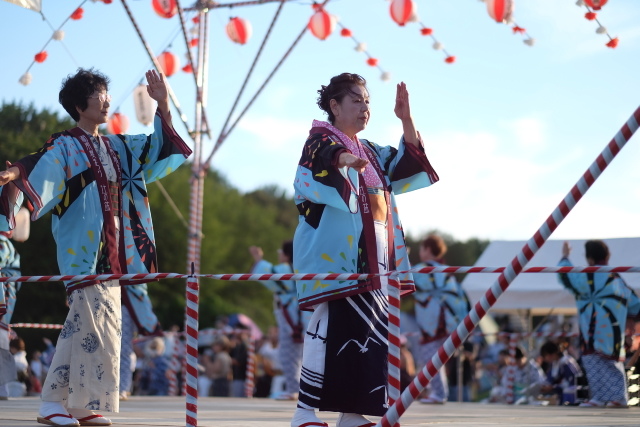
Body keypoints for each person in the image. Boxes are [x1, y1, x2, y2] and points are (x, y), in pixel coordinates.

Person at [0, 68, 191, 426]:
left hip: (117, 252)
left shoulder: (120, 146)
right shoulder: (64, 146)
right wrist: (14, 176)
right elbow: (34, 165)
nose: (105, 99)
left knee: (97, 328)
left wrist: (162, 101)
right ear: (78, 104)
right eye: (97, 93)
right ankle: (51, 404)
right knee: (88, 325)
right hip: (81, 252)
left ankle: (77, 405)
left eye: (105, 92)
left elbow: (161, 147)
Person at [291, 73, 439, 427]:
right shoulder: (319, 139)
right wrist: (343, 159)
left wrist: (405, 118)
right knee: (326, 330)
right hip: (341, 255)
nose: (364, 107)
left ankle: (352, 414)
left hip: (376, 254)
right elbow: (325, 158)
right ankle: (303, 412)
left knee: (366, 336)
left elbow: (408, 162)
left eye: (368, 101)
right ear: (335, 105)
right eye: (356, 100)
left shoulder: (371, 151)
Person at [558, 240, 640, 408]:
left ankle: (612, 398)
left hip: (592, 329)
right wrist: (630, 321)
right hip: (613, 330)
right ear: (607, 255)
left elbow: (567, 275)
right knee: (611, 364)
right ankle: (606, 397)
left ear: (589, 259)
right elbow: (634, 303)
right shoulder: (615, 278)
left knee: (595, 363)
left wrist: (565, 256)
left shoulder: (587, 275)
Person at [412, 234, 470, 404]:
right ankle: (437, 392)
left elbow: (403, 280)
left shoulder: (423, 269)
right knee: (436, 360)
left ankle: (438, 393)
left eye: (422, 248)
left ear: (428, 249)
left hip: (435, 323)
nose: (421, 251)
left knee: (429, 358)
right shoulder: (445, 270)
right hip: (451, 322)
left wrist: (400, 260)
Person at [249, 241, 310, 400]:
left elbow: (265, 274)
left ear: (287, 254)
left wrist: (258, 259)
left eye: (280, 252)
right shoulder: (303, 267)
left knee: (288, 355)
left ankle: (294, 389)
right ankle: (299, 389)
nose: (278, 255)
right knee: (301, 355)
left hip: (292, 317)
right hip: (301, 316)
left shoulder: (286, 269)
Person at [0, 204, 29, 400]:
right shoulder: (5, 242)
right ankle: (2, 387)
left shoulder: (2, 243)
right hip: (7, 292)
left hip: (4, 292)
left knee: (1, 337)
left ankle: (2, 387)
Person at [119, 283, 163, 401]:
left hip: (126, 306)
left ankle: (122, 388)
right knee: (119, 351)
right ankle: (121, 388)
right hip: (118, 304)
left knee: (124, 351)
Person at [539, 340, 582, 405]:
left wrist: (554, 387)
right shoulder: (554, 363)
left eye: (545, 356)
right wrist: (545, 386)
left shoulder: (567, 362)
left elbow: (571, 382)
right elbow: (549, 379)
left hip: (572, 397)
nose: (545, 359)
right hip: (561, 396)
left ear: (551, 354)